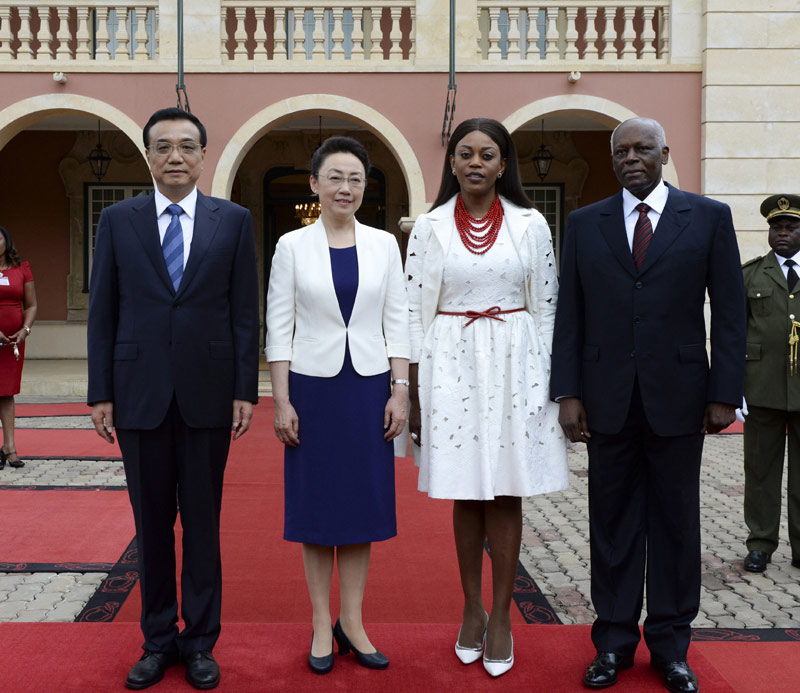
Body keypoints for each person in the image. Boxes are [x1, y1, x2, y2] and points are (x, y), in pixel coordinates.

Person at [550, 117, 745, 693]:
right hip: (607, 400)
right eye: (621, 151)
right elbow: (571, 317)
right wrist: (570, 393)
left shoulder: (708, 218)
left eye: (642, 149)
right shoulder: (585, 224)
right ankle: (611, 644)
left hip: (682, 401)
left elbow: (730, 314)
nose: (631, 158)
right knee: (610, 527)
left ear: (664, 151)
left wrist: (723, 393)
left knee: (676, 527)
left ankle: (671, 647)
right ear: (612, 160)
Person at [87, 107, 259, 690]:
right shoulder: (118, 220)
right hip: (138, 396)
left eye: (187, 146)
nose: (176, 156)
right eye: (163, 147)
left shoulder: (232, 221)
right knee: (152, 524)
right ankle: (158, 641)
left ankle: (201, 643)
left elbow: (243, 314)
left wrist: (244, 389)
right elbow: (104, 312)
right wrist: (100, 392)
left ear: (204, 154)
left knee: (204, 526)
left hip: (210, 396)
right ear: (149, 156)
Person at [406, 118, 569, 678]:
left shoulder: (530, 224)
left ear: (504, 164)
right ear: (451, 162)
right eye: (465, 153)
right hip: (450, 361)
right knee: (466, 489)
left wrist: (551, 384)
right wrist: (414, 391)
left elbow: (547, 307)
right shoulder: (428, 227)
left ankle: (501, 615)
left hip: (516, 363)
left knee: (505, 489)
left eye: (488, 154)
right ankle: (470, 609)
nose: (476, 163)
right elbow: (412, 312)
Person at [266, 136, 409, 675]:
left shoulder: (383, 245)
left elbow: (398, 320)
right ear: (315, 184)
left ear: (364, 188)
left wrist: (400, 389)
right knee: (318, 508)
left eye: (355, 179)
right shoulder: (291, 246)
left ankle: (353, 620)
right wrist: (281, 401)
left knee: (360, 509)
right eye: (335, 177)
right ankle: (320, 621)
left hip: (368, 388)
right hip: (313, 389)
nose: (345, 188)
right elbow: (278, 324)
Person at [740, 194, 800, 574]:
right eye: (775, 228)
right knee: (760, 470)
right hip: (760, 388)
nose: (782, 233)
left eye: (790, 227)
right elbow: (733, 333)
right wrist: (732, 388)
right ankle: (760, 543)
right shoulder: (750, 275)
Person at [0, 225, 37, 470]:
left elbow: (31, 305)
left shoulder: (21, 269)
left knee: (6, 392)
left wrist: (25, 330)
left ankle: (9, 447)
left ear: (6, 241)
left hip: (11, 343)